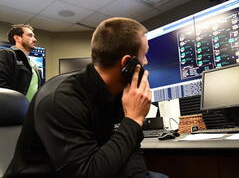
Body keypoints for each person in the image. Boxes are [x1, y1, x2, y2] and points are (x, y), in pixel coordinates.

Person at [4, 17, 168, 178]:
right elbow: (86, 173)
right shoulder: (61, 99)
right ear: (127, 63)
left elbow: (130, 150)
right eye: (144, 55)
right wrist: (133, 119)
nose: (146, 62)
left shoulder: (120, 96)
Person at [0, 24, 41, 101]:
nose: (35, 39)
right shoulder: (6, 54)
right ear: (17, 38)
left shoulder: (34, 65)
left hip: (29, 111)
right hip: (12, 110)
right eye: (30, 35)